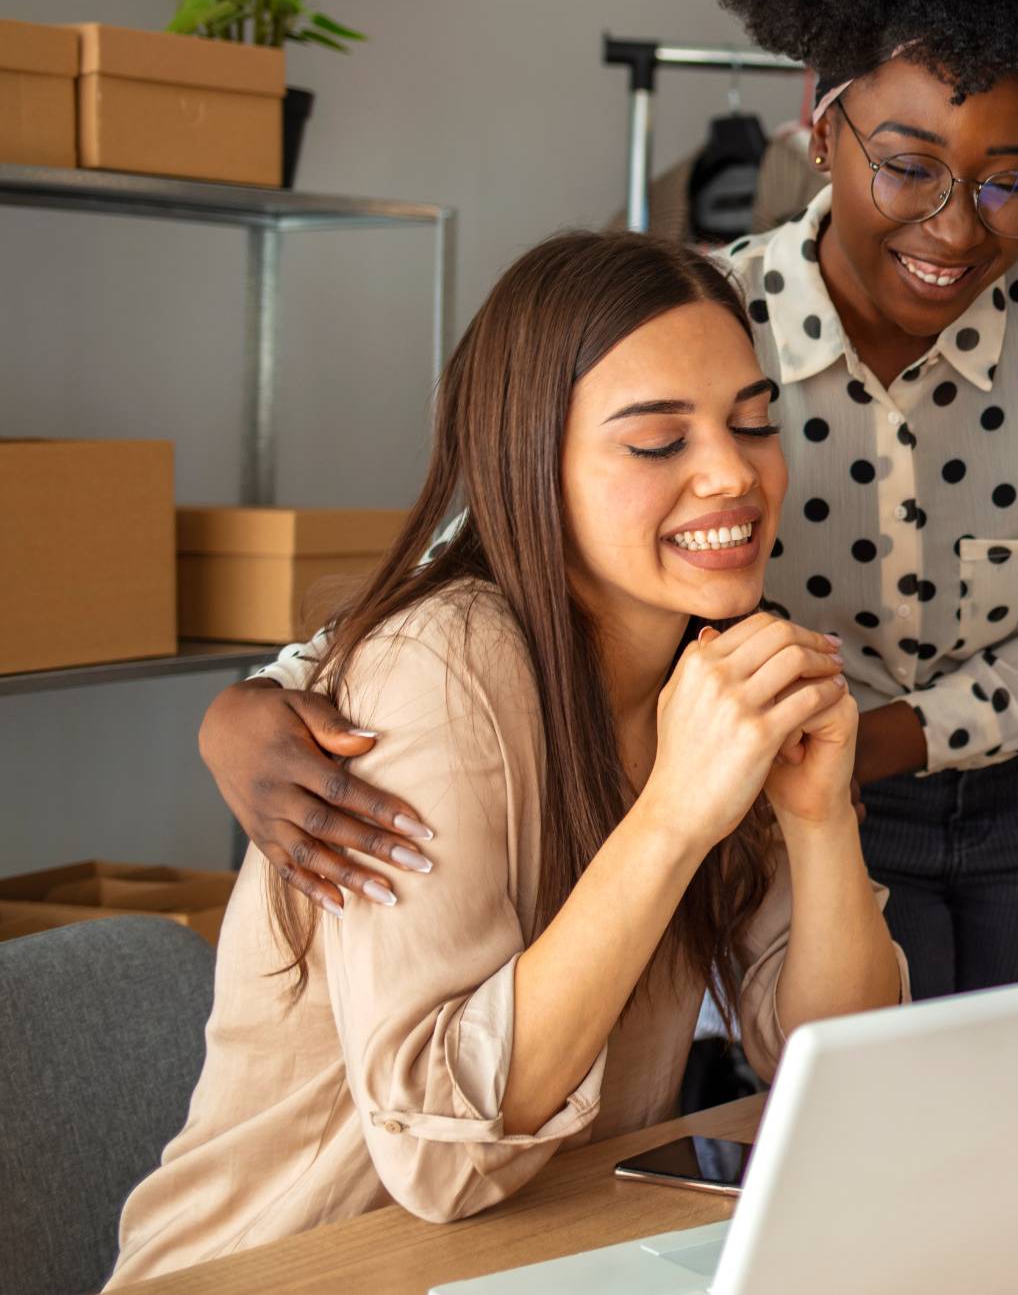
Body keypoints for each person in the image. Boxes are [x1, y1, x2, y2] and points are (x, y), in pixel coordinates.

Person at [195, 0, 1018, 999]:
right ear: (819, 123)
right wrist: (257, 703)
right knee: (832, 1136)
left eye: (1012, 180)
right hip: (798, 798)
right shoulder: (717, 322)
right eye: (908, 165)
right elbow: (519, 534)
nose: (957, 226)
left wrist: (872, 740)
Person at [110, 233, 906, 1284]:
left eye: (751, 423)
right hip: (286, 1270)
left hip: (541, 1259)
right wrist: (671, 816)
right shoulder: (444, 668)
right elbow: (439, 1157)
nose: (732, 474)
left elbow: (832, 1073)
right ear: (532, 465)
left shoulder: (708, 672)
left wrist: (818, 821)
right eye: (656, 443)